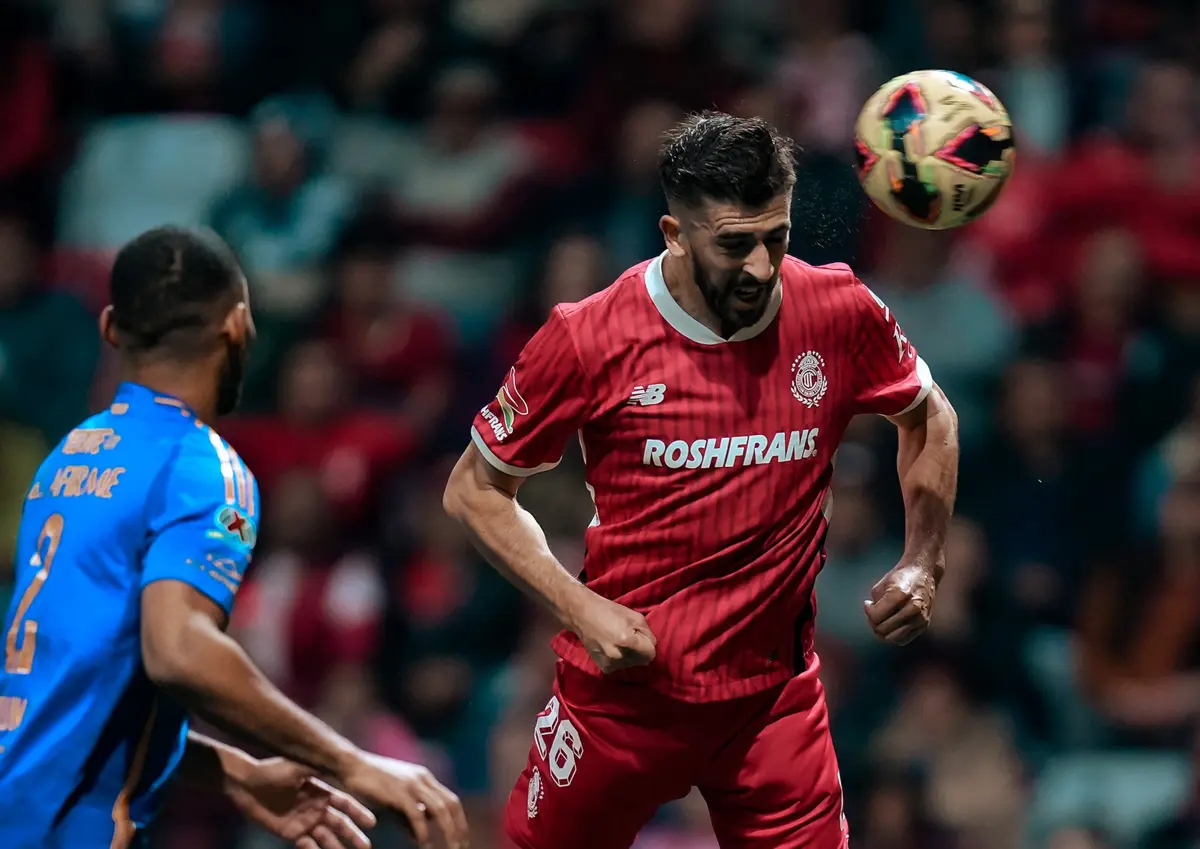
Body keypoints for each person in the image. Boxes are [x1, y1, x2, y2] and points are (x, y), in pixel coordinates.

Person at [443, 112, 959, 849]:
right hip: (624, 697)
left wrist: (922, 561)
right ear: (674, 233)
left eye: (776, 237)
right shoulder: (589, 335)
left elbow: (930, 415)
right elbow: (474, 489)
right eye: (734, 244)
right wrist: (580, 607)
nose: (760, 267)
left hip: (773, 703)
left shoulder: (837, 309)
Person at [0, 226, 469, 849]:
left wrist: (237, 773)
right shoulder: (200, 466)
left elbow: (78, 700)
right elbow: (178, 650)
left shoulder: (66, 461)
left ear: (110, 328)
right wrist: (351, 762)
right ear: (237, 324)